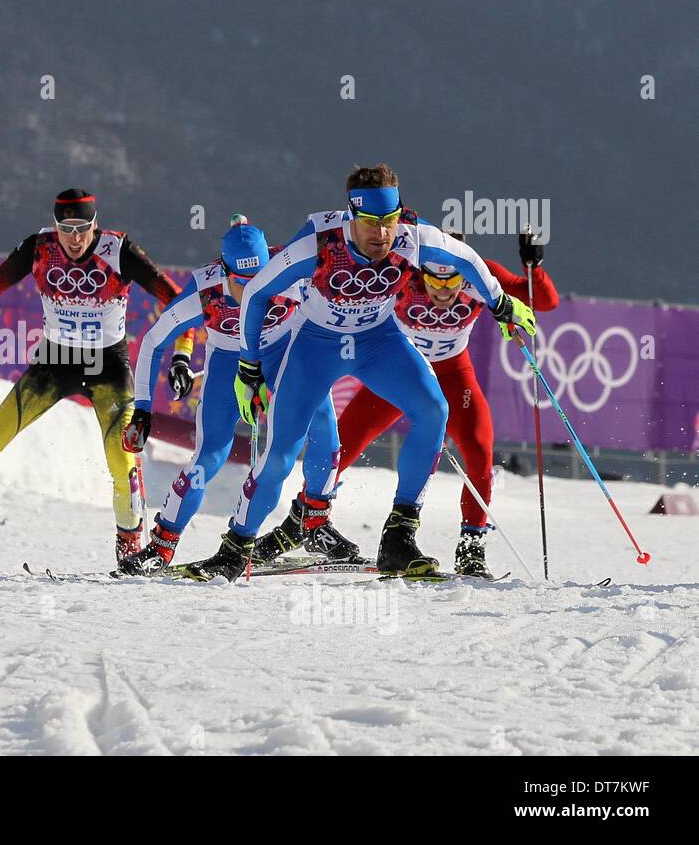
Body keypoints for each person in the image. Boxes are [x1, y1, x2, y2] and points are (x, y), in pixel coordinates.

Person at [190, 164, 535, 581]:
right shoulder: (319, 243)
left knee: (434, 411)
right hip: (317, 346)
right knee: (281, 454)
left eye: (388, 222)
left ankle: (399, 537)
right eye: (371, 224)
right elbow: (258, 293)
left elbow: (467, 258)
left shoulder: (410, 237)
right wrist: (248, 367)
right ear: (351, 216)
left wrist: (500, 305)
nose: (382, 234)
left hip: (378, 341)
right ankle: (235, 548)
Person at [0, 189, 193, 567]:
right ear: (56, 225)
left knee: (121, 463)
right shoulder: (39, 247)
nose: (75, 238)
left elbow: (176, 302)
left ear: (96, 225)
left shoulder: (118, 250)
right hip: (54, 364)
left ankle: (130, 544)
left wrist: (182, 357)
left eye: (83, 229)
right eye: (66, 228)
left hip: (107, 367)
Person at [117, 215, 358, 576]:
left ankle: (315, 524)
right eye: (241, 283)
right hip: (229, 365)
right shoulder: (205, 290)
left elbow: (323, 227)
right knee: (210, 455)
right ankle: (162, 545)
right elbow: (152, 342)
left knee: (324, 429)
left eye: (260, 280)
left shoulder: (289, 268)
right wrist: (143, 409)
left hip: (284, 354)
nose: (253, 291)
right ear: (223, 270)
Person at [335, 228, 559, 577]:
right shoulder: (404, 271)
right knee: (342, 445)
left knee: (480, 451)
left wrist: (534, 267)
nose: (442, 292)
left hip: (453, 373)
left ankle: (471, 547)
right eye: (433, 283)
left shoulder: (481, 272)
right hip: (401, 371)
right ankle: (310, 518)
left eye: (451, 283)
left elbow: (544, 301)